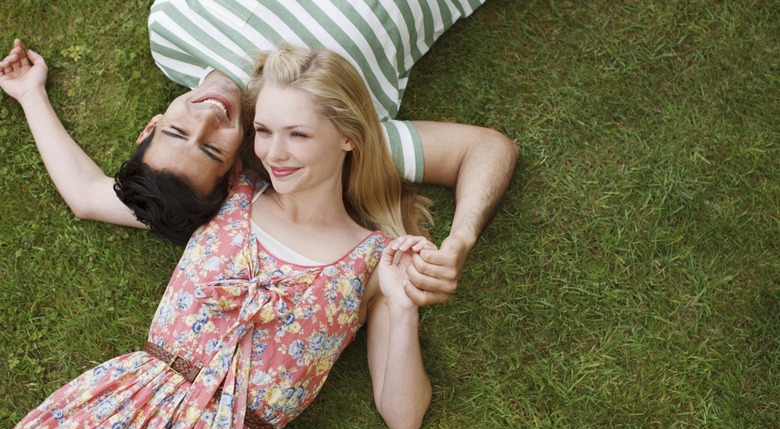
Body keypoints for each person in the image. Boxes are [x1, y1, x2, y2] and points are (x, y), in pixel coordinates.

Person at [10, 44, 440, 429]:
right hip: (124, 410)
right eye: (264, 131)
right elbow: (87, 194)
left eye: (299, 134)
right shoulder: (228, 196)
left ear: (348, 136)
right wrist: (31, 93)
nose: (274, 154)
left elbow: (403, 420)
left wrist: (403, 310)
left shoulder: (375, 261)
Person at [0, 0, 518, 305]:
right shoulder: (321, 123)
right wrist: (461, 238)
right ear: (237, 169)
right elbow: (485, 149)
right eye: (210, 148)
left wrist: (30, 93)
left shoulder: (169, 32)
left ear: (151, 125)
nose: (207, 116)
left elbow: (90, 196)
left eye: (177, 133)